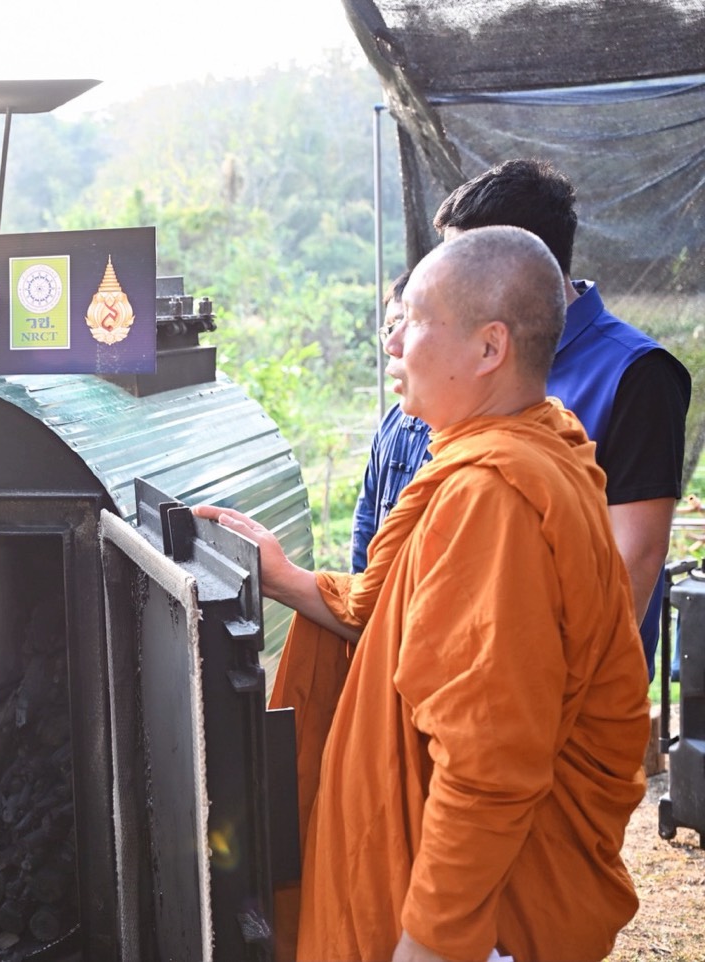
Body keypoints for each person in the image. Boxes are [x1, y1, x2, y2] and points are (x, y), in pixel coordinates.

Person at [199, 226, 649, 961]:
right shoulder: (534, 445)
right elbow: (402, 616)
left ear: (489, 347)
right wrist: (288, 579)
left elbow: (488, 760)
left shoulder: (494, 499)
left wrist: (433, 939)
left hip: (482, 919)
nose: (393, 343)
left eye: (412, 321)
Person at [350, 159, 691, 677]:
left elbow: (635, 558)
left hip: (555, 684)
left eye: (463, 261)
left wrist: (574, 689)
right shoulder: (454, 361)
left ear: (518, 260)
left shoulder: (635, 373)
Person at [349, 269, 421, 573]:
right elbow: (366, 516)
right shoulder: (392, 421)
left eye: (408, 324)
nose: (393, 343)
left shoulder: (465, 431)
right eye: (389, 328)